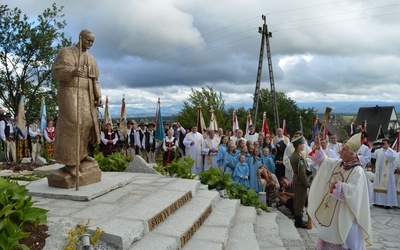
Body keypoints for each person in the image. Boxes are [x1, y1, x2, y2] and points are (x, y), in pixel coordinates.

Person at [308, 133, 372, 249]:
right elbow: (325, 162)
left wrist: (338, 186)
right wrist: (318, 148)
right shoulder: (340, 164)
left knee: (345, 241)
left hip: (346, 214)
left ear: (352, 154)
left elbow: (354, 192)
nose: (339, 151)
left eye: (343, 149)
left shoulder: (357, 171)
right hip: (333, 212)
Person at [52, 29, 102, 175]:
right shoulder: (66, 52)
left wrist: (98, 95)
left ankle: (81, 155)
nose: (90, 43)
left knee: (86, 122)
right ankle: (70, 162)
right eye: (88, 40)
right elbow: (56, 71)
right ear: (80, 38)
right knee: (74, 122)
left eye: (92, 41)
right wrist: (72, 71)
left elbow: (95, 80)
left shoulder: (91, 59)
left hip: (87, 94)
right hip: (70, 91)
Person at [371, 138, 398, 208]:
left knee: (387, 188)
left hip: (387, 173)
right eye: (382, 143)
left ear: (389, 144)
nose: (383, 145)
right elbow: (372, 155)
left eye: (385, 143)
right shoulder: (378, 151)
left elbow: (392, 158)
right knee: (377, 186)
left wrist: (387, 149)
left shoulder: (392, 151)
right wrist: (373, 149)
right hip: (379, 172)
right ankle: (377, 202)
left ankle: (387, 203)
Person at [290, 136, 310, 228]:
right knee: (300, 201)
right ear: (298, 146)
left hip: (296, 179)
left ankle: (298, 219)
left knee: (297, 200)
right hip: (300, 181)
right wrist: (307, 184)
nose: (303, 146)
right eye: (302, 144)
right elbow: (302, 173)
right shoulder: (299, 157)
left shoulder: (294, 155)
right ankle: (298, 221)